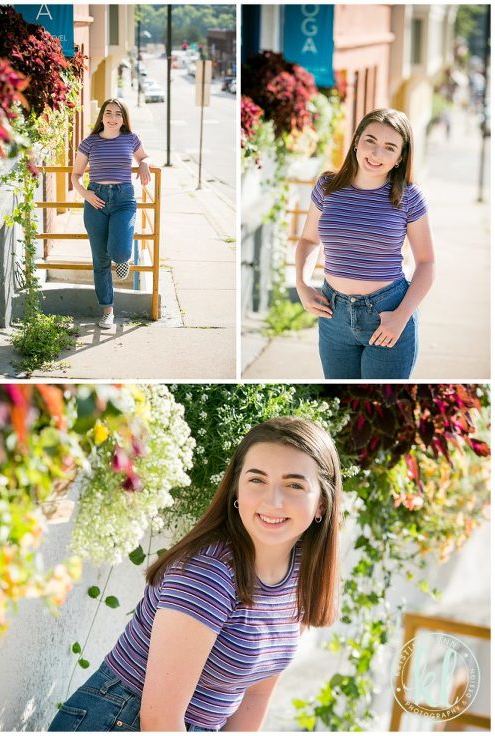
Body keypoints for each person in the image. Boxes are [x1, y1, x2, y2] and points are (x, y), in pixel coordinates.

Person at [49, 416, 341, 731]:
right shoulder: (208, 572)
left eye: (294, 484)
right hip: (123, 720)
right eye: (256, 480)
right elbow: (160, 718)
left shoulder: (299, 572)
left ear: (322, 504)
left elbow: (255, 695)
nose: (273, 501)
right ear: (236, 490)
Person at [295, 108, 435, 379]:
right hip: (333, 315)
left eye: (389, 147)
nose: (376, 154)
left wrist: (402, 315)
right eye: (370, 141)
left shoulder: (409, 197)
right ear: (357, 140)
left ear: (399, 157)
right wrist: (302, 284)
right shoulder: (327, 187)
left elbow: (427, 262)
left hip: (389, 314)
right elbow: (309, 240)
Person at [71, 98, 151, 329]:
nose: (113, 118)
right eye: (109, 113)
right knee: (100, 260)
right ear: (102, 116)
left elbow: (144, 157)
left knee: (119, 251)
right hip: (96, 201)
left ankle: (122, 258)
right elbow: (75, 175)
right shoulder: (90, 143)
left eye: (118, 114)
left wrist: (144, 163)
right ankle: (107, 311)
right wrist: (85, 194)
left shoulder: (131, 139)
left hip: (124, 200)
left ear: (124, 118)